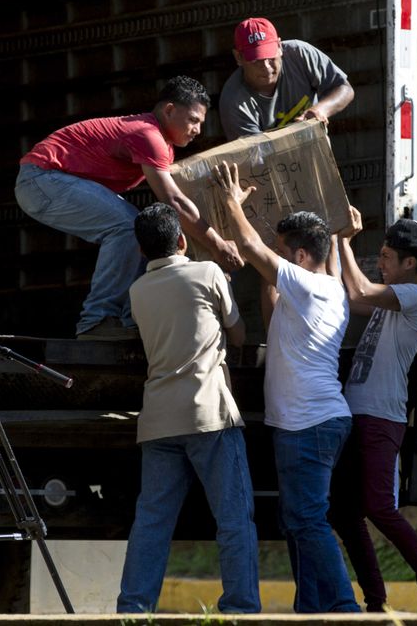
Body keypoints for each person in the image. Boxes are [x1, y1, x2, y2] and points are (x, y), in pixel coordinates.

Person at [213, 160, 360, 613]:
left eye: (282, 252)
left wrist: (231, 203)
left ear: (298, 257)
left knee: (306, 520)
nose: (275, 259)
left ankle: (345, 608)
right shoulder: (328, 288)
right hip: (310, 422)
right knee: (296, 521)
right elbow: (273, 307)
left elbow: (250, 246)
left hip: (307, 424)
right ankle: (310, 610)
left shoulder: (310, 285)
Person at [15, 76, 242, 340]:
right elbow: (175, 201)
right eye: (193, 120)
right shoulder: (149, 136)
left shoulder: (161, 145)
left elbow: (178, 202)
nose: (198, 130)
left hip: (48, 182)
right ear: (169, 110)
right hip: (40, 180)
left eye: (201, 123)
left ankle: (127, 321)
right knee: (127, 227)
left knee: (142, 232)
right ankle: (97, 320)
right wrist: (217, 244)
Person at [116, 203, 259, 614]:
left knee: (152, 523)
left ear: (141, 251)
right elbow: (239, 333)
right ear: (181, 240)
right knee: (233, 519)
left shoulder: (137, 291)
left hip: (158, 421)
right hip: (208, 414)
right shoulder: (209, 273)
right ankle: (239, 609)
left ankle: (134, 609)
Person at [328, 208, 417, 613]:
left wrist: (343, 240)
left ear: (410, 262)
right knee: (345, 514)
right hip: (357, 414)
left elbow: (360, 292)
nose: (380, 263)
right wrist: (332, 243)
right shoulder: (391, 299)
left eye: (386, 256)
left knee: (380, 508)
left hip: (381, 416)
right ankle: (376, 603)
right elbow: (351, 296)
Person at [219, 17, 355, 139]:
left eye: (270, 57)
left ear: (279, 46)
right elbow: (257, 154)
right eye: (256, 61)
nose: (266, 66)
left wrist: (319, 110)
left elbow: (344, 88)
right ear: (238, 57)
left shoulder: (300, 54)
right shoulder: (234, 103)